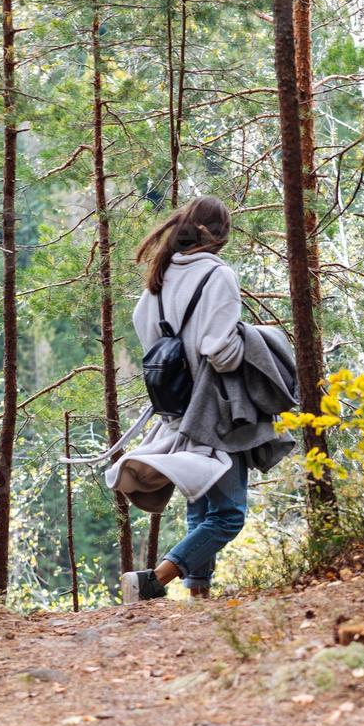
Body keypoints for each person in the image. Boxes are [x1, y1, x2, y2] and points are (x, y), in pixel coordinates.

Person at [120, 196, 250, 602]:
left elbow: (151, 343)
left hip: (175, 409)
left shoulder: (158, 280)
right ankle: (152, 581)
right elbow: (222, 354)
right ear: (221, 236)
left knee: (201, 497)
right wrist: (252, 347)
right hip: (215, 405)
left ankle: (199, 596)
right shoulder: (218, 276)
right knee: (228, 515)